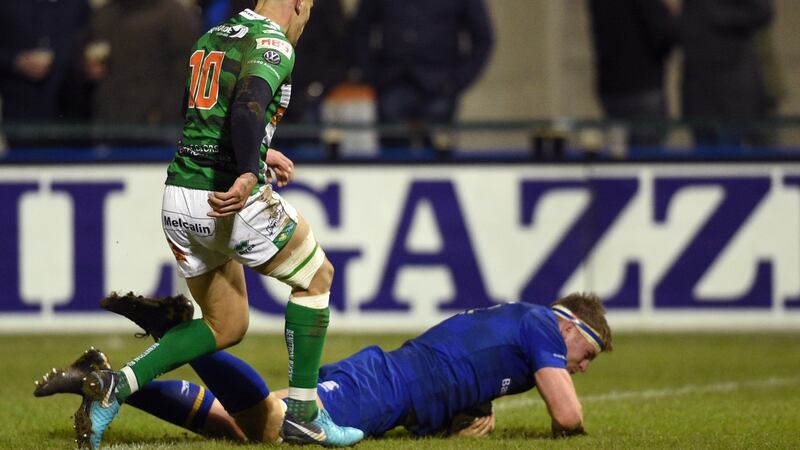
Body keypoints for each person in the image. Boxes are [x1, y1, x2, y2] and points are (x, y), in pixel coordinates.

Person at [73, 1, 363, 449]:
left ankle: (116, 385)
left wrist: (261, 155)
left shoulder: (215, 35)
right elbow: (248, 109)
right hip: (227, 197)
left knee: (225, 324)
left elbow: (212, 117)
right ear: (299, 4)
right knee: (316, 277)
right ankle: (304, 416)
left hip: (179, 197)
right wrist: (250, 171)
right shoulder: (274, 44)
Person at [39, 292, 611, 443]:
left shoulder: (517, 323)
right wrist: (576, 432)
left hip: (389, 382)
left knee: (237, 426)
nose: (578, 367)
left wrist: (466, 406)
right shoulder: (541, 325)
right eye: (584, 355)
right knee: (266, 427)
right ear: (569, 327)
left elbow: (459, 355)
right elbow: (566, 415)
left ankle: (103, 377)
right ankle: (184, 338)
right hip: (386, 385)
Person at [350, 0, 494, 153]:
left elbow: (483, 39)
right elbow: (359, 32)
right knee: (392, 161)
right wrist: (372, 75)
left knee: (439, 159)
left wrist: (456, 81)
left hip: (440, 87)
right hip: (392, 85)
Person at [678, 0, 774, 146]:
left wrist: (717, 14)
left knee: (731, 156)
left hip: (733, 91)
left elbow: (763, 12)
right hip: (698, 92)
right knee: (703, 159)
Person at [0, 0, 91, 147]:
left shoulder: (78, 5)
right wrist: (16, 61)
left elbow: (90, 46)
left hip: (72, 118)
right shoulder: (7, 5)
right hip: (22, 116)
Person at [587, 0, 677, 147]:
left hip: (610, 87)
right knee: (647, 157)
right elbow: (663, 35)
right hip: (643, 86)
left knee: (620, 154)